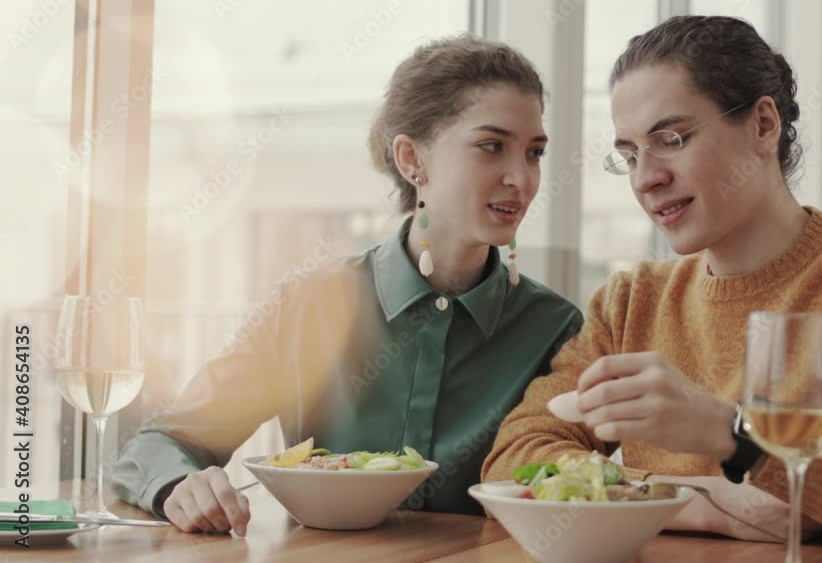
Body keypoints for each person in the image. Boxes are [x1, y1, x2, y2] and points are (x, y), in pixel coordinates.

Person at [482, 16, 822, 560]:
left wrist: (735, 434)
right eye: (631, 155)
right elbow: (515, 458)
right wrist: (705, 502)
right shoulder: (631, 301)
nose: (645, 178)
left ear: (763, 125)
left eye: (672, 139)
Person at [113, 35, 582, 536]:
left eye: (534, 153)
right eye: (493, 146)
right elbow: (160, 443)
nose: (522, 178)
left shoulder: (555, 329)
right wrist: (178, 486)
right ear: (411, 160)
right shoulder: (309, 306)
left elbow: (569, 484)